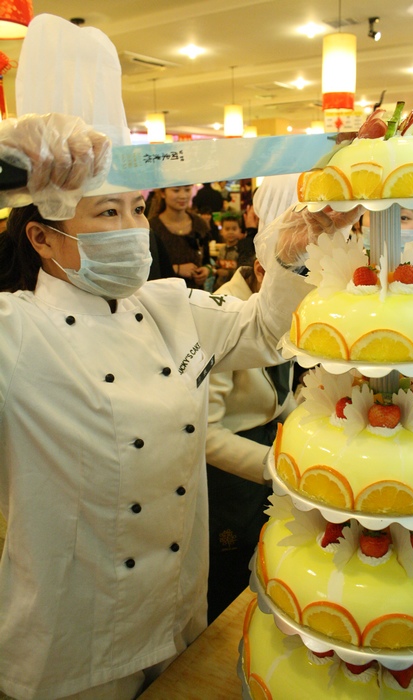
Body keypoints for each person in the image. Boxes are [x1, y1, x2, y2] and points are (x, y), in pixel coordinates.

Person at [0, 110, 363, 700]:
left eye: (135, 209)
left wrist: (295, 253)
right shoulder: (16, 332)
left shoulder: (168, 306)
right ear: (41, 238)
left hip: (174, 609)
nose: (131, 229)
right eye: (107, 213)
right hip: (73, 637)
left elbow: (265, 332)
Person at [206, 245, 297, 622]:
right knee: (231, 577)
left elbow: (279, 394)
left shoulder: (280, 309)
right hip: (231, 468)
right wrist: (274, 464)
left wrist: (310, 436)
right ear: (261, 270)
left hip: (268, 447)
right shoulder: (219, 315)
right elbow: (206, 434)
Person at [148, 186, 212, 288]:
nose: (183, 196)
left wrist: (206, 270)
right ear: (163, 193)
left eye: (187, 190)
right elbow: (148, 269)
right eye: (176, 190)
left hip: (196, 293)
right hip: (163, 292)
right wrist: (176, 269)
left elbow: (207, 261)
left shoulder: (200, 224)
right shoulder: (152, 227)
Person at [213, 213, 245, 291]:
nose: (231, 232)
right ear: (221, 231)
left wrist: (228, 273)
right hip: (220, 287)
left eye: (234, 229)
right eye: (227, 229)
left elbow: (244, 271)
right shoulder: (222, 250)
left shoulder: (242, 250)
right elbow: (217, 265)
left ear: (240, 230)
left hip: (235, 288)